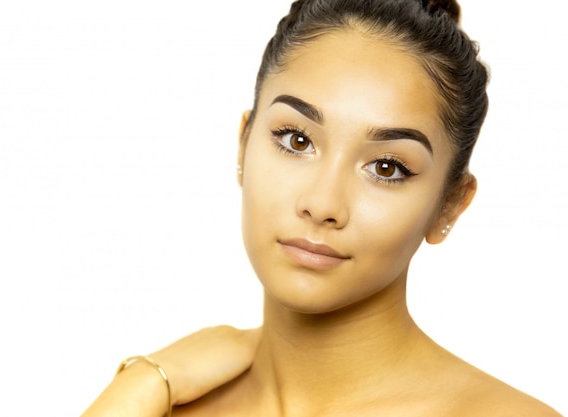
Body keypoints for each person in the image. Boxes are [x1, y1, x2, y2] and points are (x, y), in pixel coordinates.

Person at [82, 0, 562, 416]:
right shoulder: (155, 403)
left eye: (387, 168)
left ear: (449, 206)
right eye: (296, 140)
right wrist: (139, 387)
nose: (322, 204)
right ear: (243, 144)